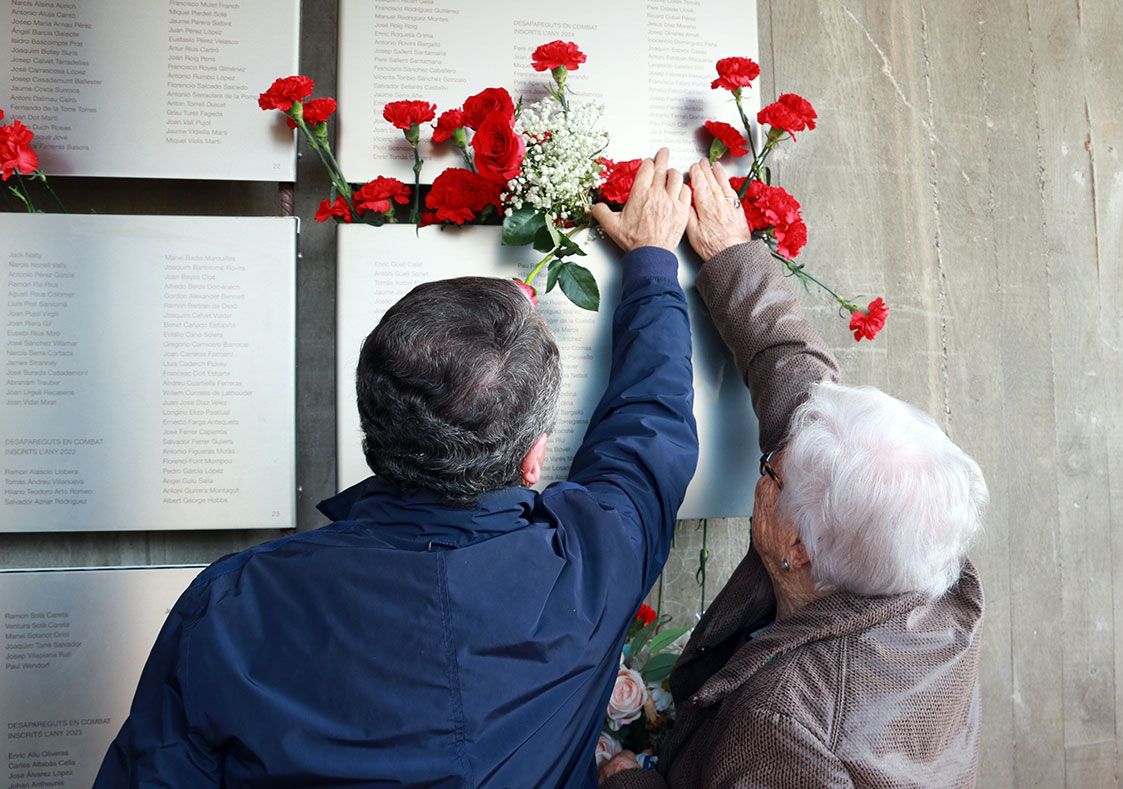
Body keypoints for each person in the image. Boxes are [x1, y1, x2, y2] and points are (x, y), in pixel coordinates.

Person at [94, 149, 697, 787]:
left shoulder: (232, 603)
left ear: (371, 424)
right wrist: (654, 263)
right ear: (532, 460)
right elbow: (647, 432)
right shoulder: (594, 563)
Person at [600, 160, 988, 788]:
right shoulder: (924, 560)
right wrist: (730, 254)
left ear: (798, 546)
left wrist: (625, 782)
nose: (771, 462)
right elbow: (806, 395)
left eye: (770, 471)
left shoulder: (781, 727)